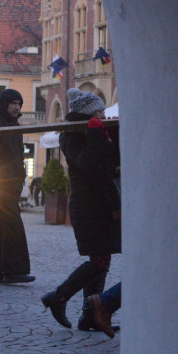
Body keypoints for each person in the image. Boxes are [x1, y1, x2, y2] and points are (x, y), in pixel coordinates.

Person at [41, 88, 121, 331]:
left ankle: (90, 316)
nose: (104, 115)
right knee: (98, 259)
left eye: (104, 111)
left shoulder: (96, 130)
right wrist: (97, 136)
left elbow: (111, 161)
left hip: (103, 202)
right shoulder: (72, 134)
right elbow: (86, 163)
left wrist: (113, 135)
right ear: (88, 114)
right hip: (88, 205)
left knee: (102, 256)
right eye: (99, 112)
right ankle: (59, 297)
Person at [0, 89, 34, 283]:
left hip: (11, 184)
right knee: (8, 224)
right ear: (4, 104)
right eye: (13, 103)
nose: (17, 107)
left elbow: (18, 155)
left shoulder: (14, 125)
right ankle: (12, 270)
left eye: (19, 103)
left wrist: (20, 177)